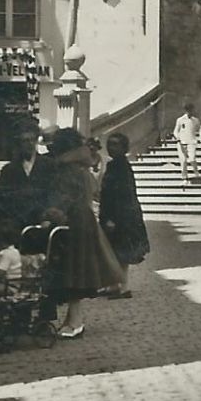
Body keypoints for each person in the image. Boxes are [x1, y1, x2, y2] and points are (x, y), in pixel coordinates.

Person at [39, 128, 123, 337]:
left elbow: (64, 199)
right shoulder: (81, 167)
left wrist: (49, 215)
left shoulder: (68, 170)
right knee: (76, 272)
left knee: (73, 273)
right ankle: (72, 319)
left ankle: (76, 322)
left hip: (73, 223)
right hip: (82, 221)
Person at [98, 133, 147, 298]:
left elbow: (122, 196)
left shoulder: (121, 167)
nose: (112, 148)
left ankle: (123, 286)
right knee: (114, 250)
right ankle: (114, 284)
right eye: (110, 144)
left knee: (122, 252)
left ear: (124, 147)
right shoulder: (115, 165)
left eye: (116, 145)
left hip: (121, 216)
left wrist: (113, 218)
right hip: (116, 214)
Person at [0, 125, 49, 230]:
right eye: (25, 141)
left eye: (32, 140)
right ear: (19, 144)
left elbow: (54, 192)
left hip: (41, 220)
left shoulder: (48, 165)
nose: (29, 144)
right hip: (17, 222)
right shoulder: (10, 169)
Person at [173, 104, 201, 183]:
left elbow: (199, 130)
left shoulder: (195, 120)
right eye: (188, 110)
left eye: (191, 110)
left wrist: (200, 138)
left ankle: (196, 172)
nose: (190, 112)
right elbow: (175, 131)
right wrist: (177, 137)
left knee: (192, 159)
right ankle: (184, 177)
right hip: (181, 143)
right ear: (186, 111)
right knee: (183, 161)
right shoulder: (180, 120)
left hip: (191, 142)